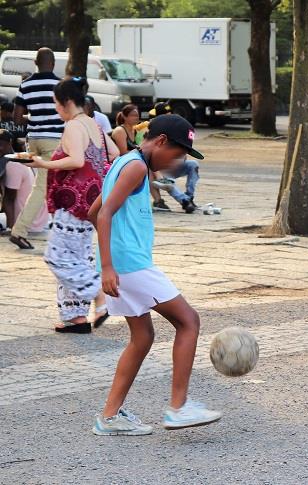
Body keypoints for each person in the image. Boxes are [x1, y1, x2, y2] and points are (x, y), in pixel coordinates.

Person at [89, 114, 220, 436]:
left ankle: (109, 417)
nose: (176, 162)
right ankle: (178, 407)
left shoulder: (126, 163)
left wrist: (112, 255)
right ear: (160, 141)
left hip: (124, 263)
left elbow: (94, 212)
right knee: (189, 321)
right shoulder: (134, 167)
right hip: (131, 265)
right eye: (176, 155)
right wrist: (110, 264)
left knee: (143, 337)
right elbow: (104, 213)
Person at [28, 77, 119, 333]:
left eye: (56, 104)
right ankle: (76, 317)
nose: (56, 109)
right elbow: (113, 153)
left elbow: (76, 160)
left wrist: (43, 164)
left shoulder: (73, 126)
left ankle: (99, 296)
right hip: (90, 202)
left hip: (72, 202)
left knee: (57, 258)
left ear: (67, 102)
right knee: (77, 258)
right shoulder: (94, 124)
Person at [8, 48, 64, 251]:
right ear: (54, 63)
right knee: (43, 186)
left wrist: (35, 118)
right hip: (55, 140)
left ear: (35, 63)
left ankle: (58, 227)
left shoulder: (26, 84)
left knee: (49, 184)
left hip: (34, 139)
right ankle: (19, 231)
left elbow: (16, 117)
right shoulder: (60, 85)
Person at [0, 130, 48, 233]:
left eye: (0, 145)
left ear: (9, 143)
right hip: (39, 220)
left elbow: (9, 199)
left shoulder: (13, 164)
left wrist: (10, 230)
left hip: (28, 224)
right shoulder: (18, 158)